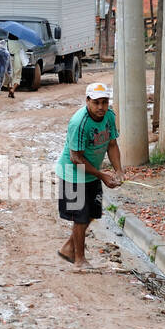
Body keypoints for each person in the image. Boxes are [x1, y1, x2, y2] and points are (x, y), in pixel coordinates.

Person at [56, 81, 123, 268]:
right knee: (80, 217)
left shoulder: (109, 116)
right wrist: (103, 175)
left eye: (104, 102)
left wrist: (119, 170)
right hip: (73, 174)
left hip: (92, 172)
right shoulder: (79, 122)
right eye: (96, 102)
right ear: (87, 101)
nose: (101, 107)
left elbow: (112, 144)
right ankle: (79, 260)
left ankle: (69, 247)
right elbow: (76, 158)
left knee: (92, 212)